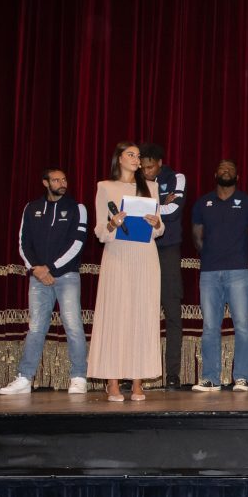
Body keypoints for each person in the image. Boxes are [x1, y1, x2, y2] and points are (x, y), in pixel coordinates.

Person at [0, 169, 89, 395]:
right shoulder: (31, 208)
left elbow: (77, 243)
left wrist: (52, 268)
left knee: (73, 326)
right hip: (38, 277)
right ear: (45, 182)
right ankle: (24, 378)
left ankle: (79, 376)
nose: (62, 183)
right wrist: (36, 269)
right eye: (57, 180)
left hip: (67, 276)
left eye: (65, 179)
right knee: (36, 327)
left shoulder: (77, 208)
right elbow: (23, 242)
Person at [88, 141, 164, 401]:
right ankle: (112, 383)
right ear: (119, 159)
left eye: (138, 155)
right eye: (130, 154)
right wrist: (112, 224)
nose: (136, 158)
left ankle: (138, 382)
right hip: (118, 254)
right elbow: (99, 231)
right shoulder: (105, 187)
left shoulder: (151, 187)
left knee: (142, 315)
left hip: (145, 256)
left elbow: (159, 229)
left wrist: (155, 223)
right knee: (116, 315)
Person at [190, 160, 248, 392]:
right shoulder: (203, 203)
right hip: (209, 272)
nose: (226, 170)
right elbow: (197, 238)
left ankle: (241, 377)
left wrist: (241, 261)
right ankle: (210, 377)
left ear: (237, 176)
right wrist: (214, 257)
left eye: (231, 168)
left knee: (242, 325)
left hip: (239, 271)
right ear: (215, 173)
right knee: (210, 326)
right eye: (222, 168)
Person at [140, 143, 187, 388]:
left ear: (159, 163)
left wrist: (151, 206)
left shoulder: (176, 177)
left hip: (168, 249)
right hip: (140, 248)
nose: (146, 171)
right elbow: (136, 212)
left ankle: (172, 374)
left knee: (172, 313)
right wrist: (160, 203)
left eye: (150, 166)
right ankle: (133, 375)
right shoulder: (133, 180)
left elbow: (174, 209)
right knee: (138, 314)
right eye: (143, 167)